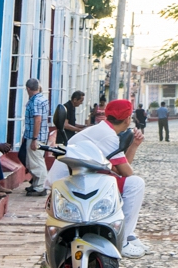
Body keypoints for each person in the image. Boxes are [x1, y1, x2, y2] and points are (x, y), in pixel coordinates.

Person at [48, 99, 148, 257]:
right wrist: (132, 147)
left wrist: (134, 145)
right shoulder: (107, 136)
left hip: (79, 177)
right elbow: (127, 172)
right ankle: (122, 240)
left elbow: (119, 167)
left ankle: (126, 233)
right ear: (129, 118)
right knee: (135, 184)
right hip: (71, 179)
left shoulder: (103, 131)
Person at [20, 78, 51, 196]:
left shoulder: (35, 101)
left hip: (36, 136)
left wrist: (34, 138)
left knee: (36, 162)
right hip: (38, 134)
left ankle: (40, 186)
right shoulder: (41, 98)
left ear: (28, 89)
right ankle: (36, 184)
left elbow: (37, 119)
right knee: (32, 160)